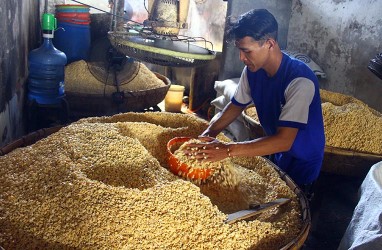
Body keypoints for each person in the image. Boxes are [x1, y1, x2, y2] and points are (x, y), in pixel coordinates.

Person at [184, 9, 325, 190]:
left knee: (296, 202)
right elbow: (235, 106)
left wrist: (227, 150)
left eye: (246, 51)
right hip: (278, 151)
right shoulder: (253, 71)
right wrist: (209, 133)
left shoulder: (299, 81)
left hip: (303, 159)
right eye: (240, 51)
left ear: (269, 44)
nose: (242, 58)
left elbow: (284, 140)